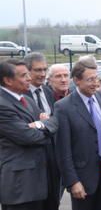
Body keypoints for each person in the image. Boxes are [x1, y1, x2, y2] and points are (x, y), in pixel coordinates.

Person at [54, 55, 101, 210]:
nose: (95, 84)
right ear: (77, 80)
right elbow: (63, 149)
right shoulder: (63, 107)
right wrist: (73, 182)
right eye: (90, 80)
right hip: (83, 178)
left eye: (96, 78)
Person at [0, 59, 57, 210]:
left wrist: (38, 125)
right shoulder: (2, 105)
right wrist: (45, 127)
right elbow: (29, 137)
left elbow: (54, 122)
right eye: (24, 75)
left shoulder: (27, 100)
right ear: (7, 80)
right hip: (21, 187)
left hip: (41, 181)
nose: (29, 78)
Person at [24, 52, 60, 210]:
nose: (43, 74)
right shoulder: (20, 95)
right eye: (38, 70)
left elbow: (55, 121)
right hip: (30, 161)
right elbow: (24, 130)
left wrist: (45, 123)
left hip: (52, 158)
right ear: (27, 71)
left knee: (52, 202)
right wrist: (45, 124)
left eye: (45, 69)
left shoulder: (48, 92)